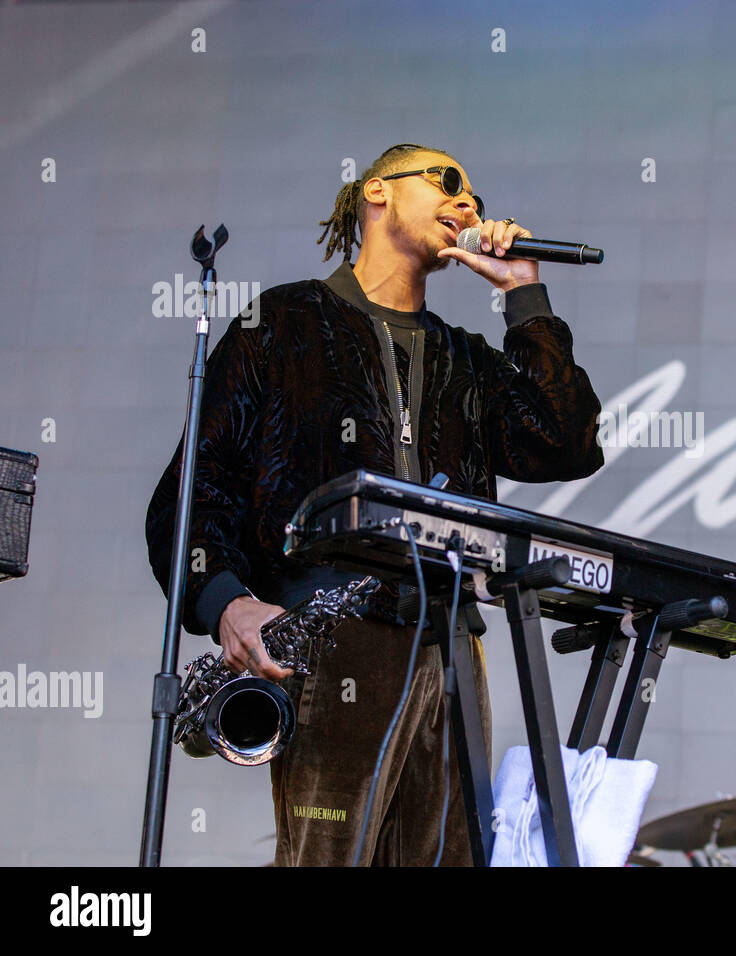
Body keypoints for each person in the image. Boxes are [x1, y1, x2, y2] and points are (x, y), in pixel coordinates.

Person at [144, 142, 605, 865]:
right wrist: (228, 602)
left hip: (452, 643)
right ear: (376, 193)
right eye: (450, 184)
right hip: (335, 637)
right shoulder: (285, 323)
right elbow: (190, 490)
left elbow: (568, 443)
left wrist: (525, 296)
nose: (470, 206)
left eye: (476, 201)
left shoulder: (467, 358)